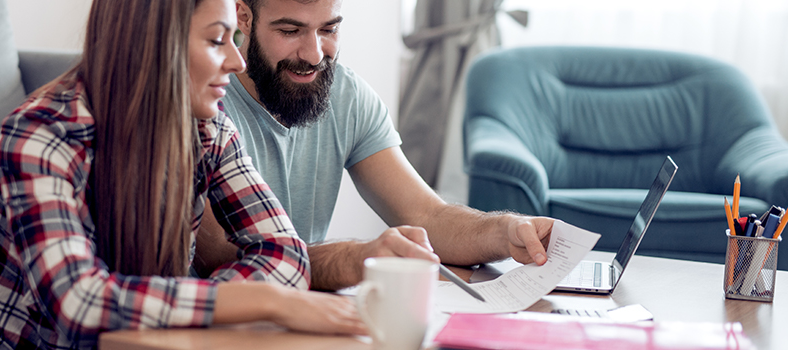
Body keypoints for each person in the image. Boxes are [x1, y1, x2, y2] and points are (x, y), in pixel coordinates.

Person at [0, 0, 368, 349]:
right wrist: (256, 299)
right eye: (217, 41)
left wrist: (205, 310)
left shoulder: (208, 128)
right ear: (156, 46)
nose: (237, 61)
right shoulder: (42, 136)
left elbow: (285, 253)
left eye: (234, 38)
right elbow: (77, 302)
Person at [193, 0, 556, 291]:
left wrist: (505, 231)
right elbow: (226, 257)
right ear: (243, 16)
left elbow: (427, 216)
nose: (315, 54)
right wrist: (356, 259)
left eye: (329, 29)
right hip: (222, 320)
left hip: (306, 310)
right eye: (290, 30)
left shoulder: (346, 96)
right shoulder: (206, 106)